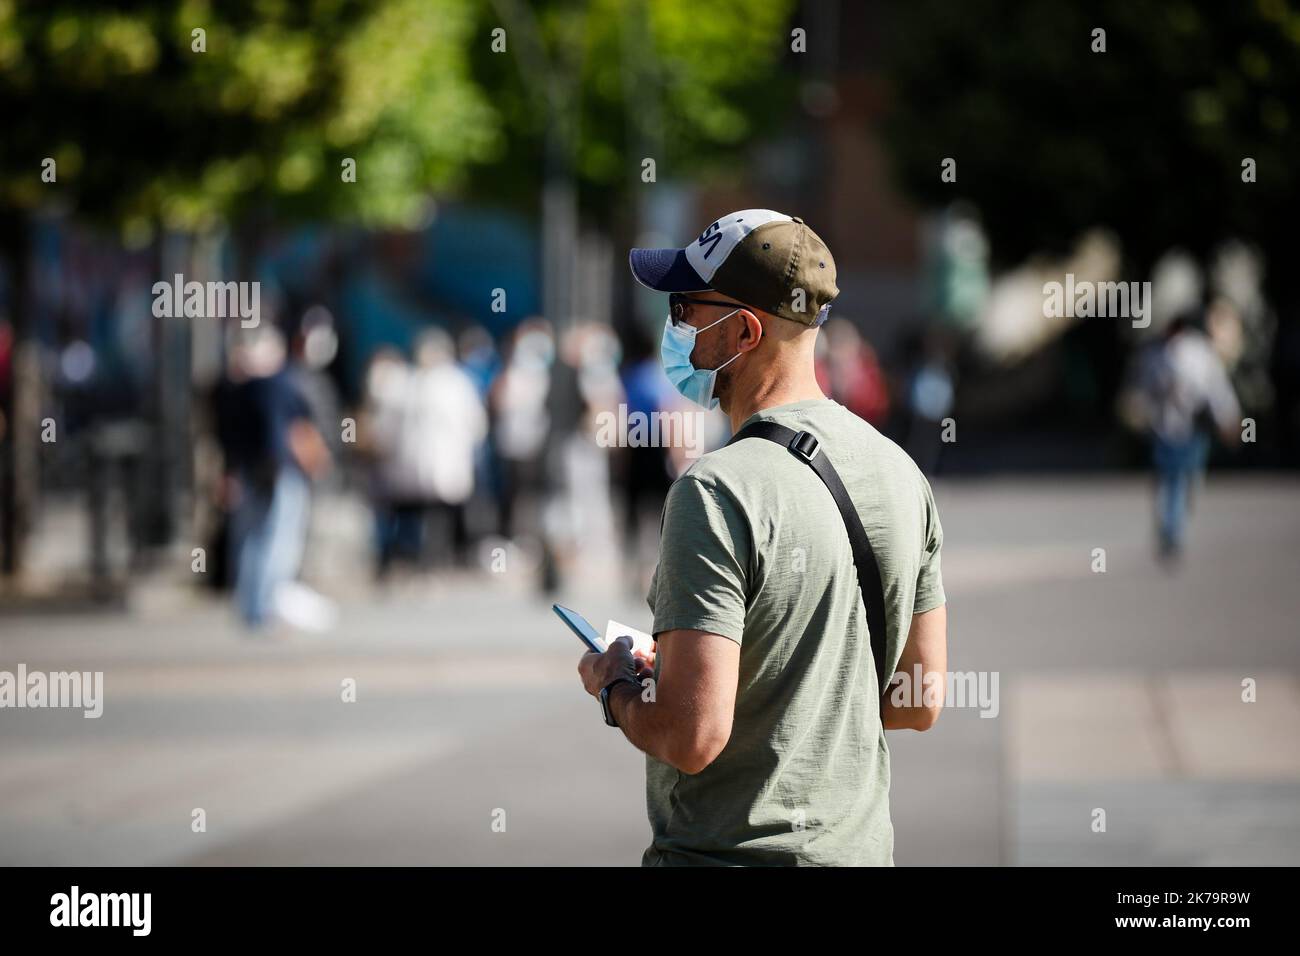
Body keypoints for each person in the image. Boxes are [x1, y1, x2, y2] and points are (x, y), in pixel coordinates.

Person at [577, 209, 948, 866]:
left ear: (744, 330)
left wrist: (617, 688)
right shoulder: (898, 470)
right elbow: (918, 698)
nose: (676, 327)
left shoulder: (717, 491)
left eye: (686, 307)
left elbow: (692, 736)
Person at [214, 325, 332, 631]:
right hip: (277, 471)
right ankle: (266, 606)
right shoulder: (275, 385)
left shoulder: (229, 390)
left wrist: (229, 474)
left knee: (250, 539)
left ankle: (253, 607)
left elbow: (226, 438)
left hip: (248, 472)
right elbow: (285, 431)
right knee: (276, 541)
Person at [1134, 311, 1241, 559]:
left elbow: (1216, 389)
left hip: (1193, 427)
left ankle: (1173, 525)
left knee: (1185, 479)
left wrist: (1228, 418)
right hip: (1166, 428)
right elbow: (1143, 389)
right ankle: (1172, 531)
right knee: (1172, 480)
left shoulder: (1198, 352)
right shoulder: (1156, 353)